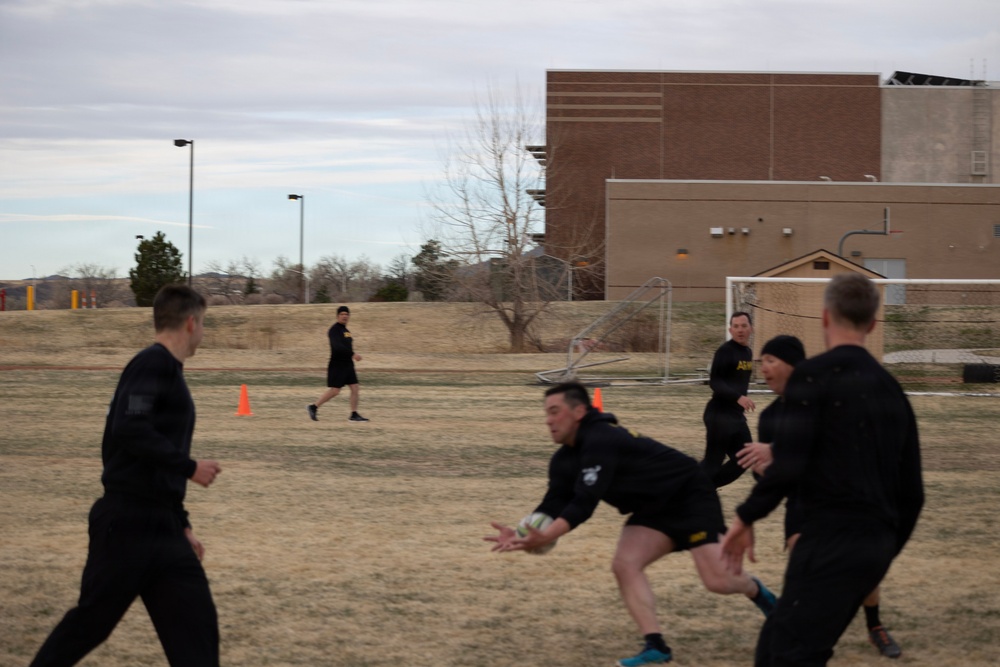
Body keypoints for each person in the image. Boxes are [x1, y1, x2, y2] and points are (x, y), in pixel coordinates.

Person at [486, 382, 777, 667]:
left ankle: (760, 593)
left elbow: (584, 503)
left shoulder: (600, 439)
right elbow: (555, 502)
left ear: (579, 412)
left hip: (688, 496)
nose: (548, 420)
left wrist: (545, 536)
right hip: (651, 511)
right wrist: (523, 529)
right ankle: (656, 647)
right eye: (546, 413)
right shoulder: (564, 459)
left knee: (719, 581)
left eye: (554, 411)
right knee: (625, 563)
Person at [722, 274, 924, 666]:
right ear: (872, 323)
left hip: (827, 543)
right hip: (874, 548)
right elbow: (913, 495)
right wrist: (883, 553)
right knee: (796, 647)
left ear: (825, 318)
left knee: (783, 655)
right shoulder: (892, 390)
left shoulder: (812, 378)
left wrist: (745, 517)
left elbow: (790, 464)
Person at [30, 284, 222, 667]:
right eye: (203, 324)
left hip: (164, 530)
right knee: (91, 623)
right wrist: (190, 469)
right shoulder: (152, 363)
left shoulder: (169, 371)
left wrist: (181, 524)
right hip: (127, 526)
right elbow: (129, 427)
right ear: (190, 323)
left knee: (196, 633)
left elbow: (151, 456)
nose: (203, 332)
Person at [737, 334, 904, 659]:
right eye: (761, 362)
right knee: (804, 568)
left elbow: (832, 452)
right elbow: (776, 474)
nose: (764, 368)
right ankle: (803, 634)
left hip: (841, 501)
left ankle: (874, 626)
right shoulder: (770, 417)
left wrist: (776, 452)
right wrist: (759, 480)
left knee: (861, 567)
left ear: (792, 364)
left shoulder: (826, 402)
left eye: (771, 360)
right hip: (801, 506)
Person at [701, 311, 756, 487]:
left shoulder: (747, 352)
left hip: (735, 416)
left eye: (744, 326)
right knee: (713, 462)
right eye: (736, 326)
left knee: (746, 457)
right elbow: (715, 382)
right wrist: (738, 397)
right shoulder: (725, 351)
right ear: (730, 330)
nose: (740, 330)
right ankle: (694, 490)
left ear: (751, 329)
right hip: (719, 414)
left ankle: (704, 488)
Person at [307, 305, 368, 422]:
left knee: (355, 387)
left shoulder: (346, 331)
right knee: (335, 390)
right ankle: (313, 407)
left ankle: (354, 414)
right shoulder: (334, 330)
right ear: (337, 316)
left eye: (346, 314)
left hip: (348, 364)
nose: (344, 316)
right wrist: (352, 354)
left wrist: (350, 356)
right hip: (337, 364)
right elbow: (337, 347)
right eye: (342, 314)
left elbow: (346, 345)